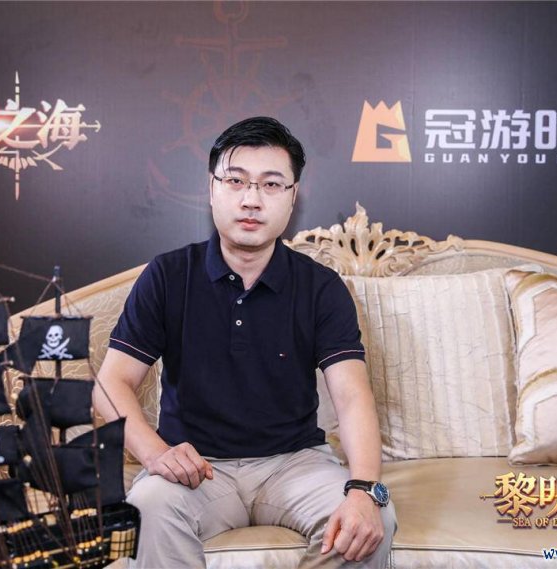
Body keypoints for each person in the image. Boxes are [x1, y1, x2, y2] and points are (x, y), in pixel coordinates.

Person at [93, 116, 396, 568]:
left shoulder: (320, 286)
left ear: (293, 197)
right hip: (197, 467)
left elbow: (352, 397)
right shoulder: (169, 275)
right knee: (147, 507)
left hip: (295, 463)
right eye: (236, 181)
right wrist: (156, 454)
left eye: (271, 184)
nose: (251, 199)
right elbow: (111, 383)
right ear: (212, 189)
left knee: (372, 518)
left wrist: (364, 489)